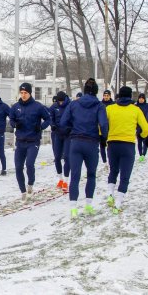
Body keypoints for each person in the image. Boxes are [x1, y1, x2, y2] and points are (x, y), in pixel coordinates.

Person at [60, 78, 108, 218]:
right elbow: (104, 125)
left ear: (84, 90)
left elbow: (63, 122)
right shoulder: (99, 106)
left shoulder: (74, 104)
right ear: (96, 92)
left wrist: (71, 131)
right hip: (91, 142)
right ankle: (88, 205)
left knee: (75, 176)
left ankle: (73, 208)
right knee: (91, 175)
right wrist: (103, 138)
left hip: (76, 142)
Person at [105, 86, 148, 214]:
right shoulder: (136, 110)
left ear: (118, 95)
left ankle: (110, 194)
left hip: (112, 144)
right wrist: (143, 136)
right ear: (130, 96)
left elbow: (101, 125)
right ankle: (118, 204)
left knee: (113, 171)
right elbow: (145, 127)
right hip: (128, 145)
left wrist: (105, 136)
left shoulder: (109, 108)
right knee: (125, 175)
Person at [9, 83, 50, 201]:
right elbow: (11, 119)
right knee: (18, 167)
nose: (23, 95)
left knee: (29, 164)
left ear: (30, 93)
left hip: (33, 141)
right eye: (21, 93)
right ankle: (23, 191)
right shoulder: (15, 106)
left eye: (25, 93)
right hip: (20, 141)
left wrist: (41, 127)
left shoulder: (38, 106)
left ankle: (30, 184)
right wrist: (15, 124)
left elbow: (48, 119)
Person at [49, 91, 71, 192]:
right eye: (59, 101)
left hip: (68, 135)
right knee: (57, 157)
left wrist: (70, 128)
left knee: (66, 157)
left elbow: (74, 119)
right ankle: (60, 179)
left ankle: (66, 181)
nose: (60, 103)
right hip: (57, 134)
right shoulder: (54, 107)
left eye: (62, 101)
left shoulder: (70, 106)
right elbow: (51, 118)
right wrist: (52, 125)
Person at [100, 89, 114, 168]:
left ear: (110, 96)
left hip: (111, 128)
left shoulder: (113, 104)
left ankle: (110, 160)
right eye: (104, 96)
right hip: (101, 128)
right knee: (102, 145)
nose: (106, 97)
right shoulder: (100, 104)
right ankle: (104, 162)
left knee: (110, 146)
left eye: (107, 96)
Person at [135, 93, 148, 162]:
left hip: (146, 126)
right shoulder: (135, 106)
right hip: (138, 127)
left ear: (144, 99)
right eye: (140, 98)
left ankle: (143, 155)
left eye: (142, 98)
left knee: (145, 141)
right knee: (139, 141)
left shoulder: (147, 106)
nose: (141, 99)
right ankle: (140, 155)